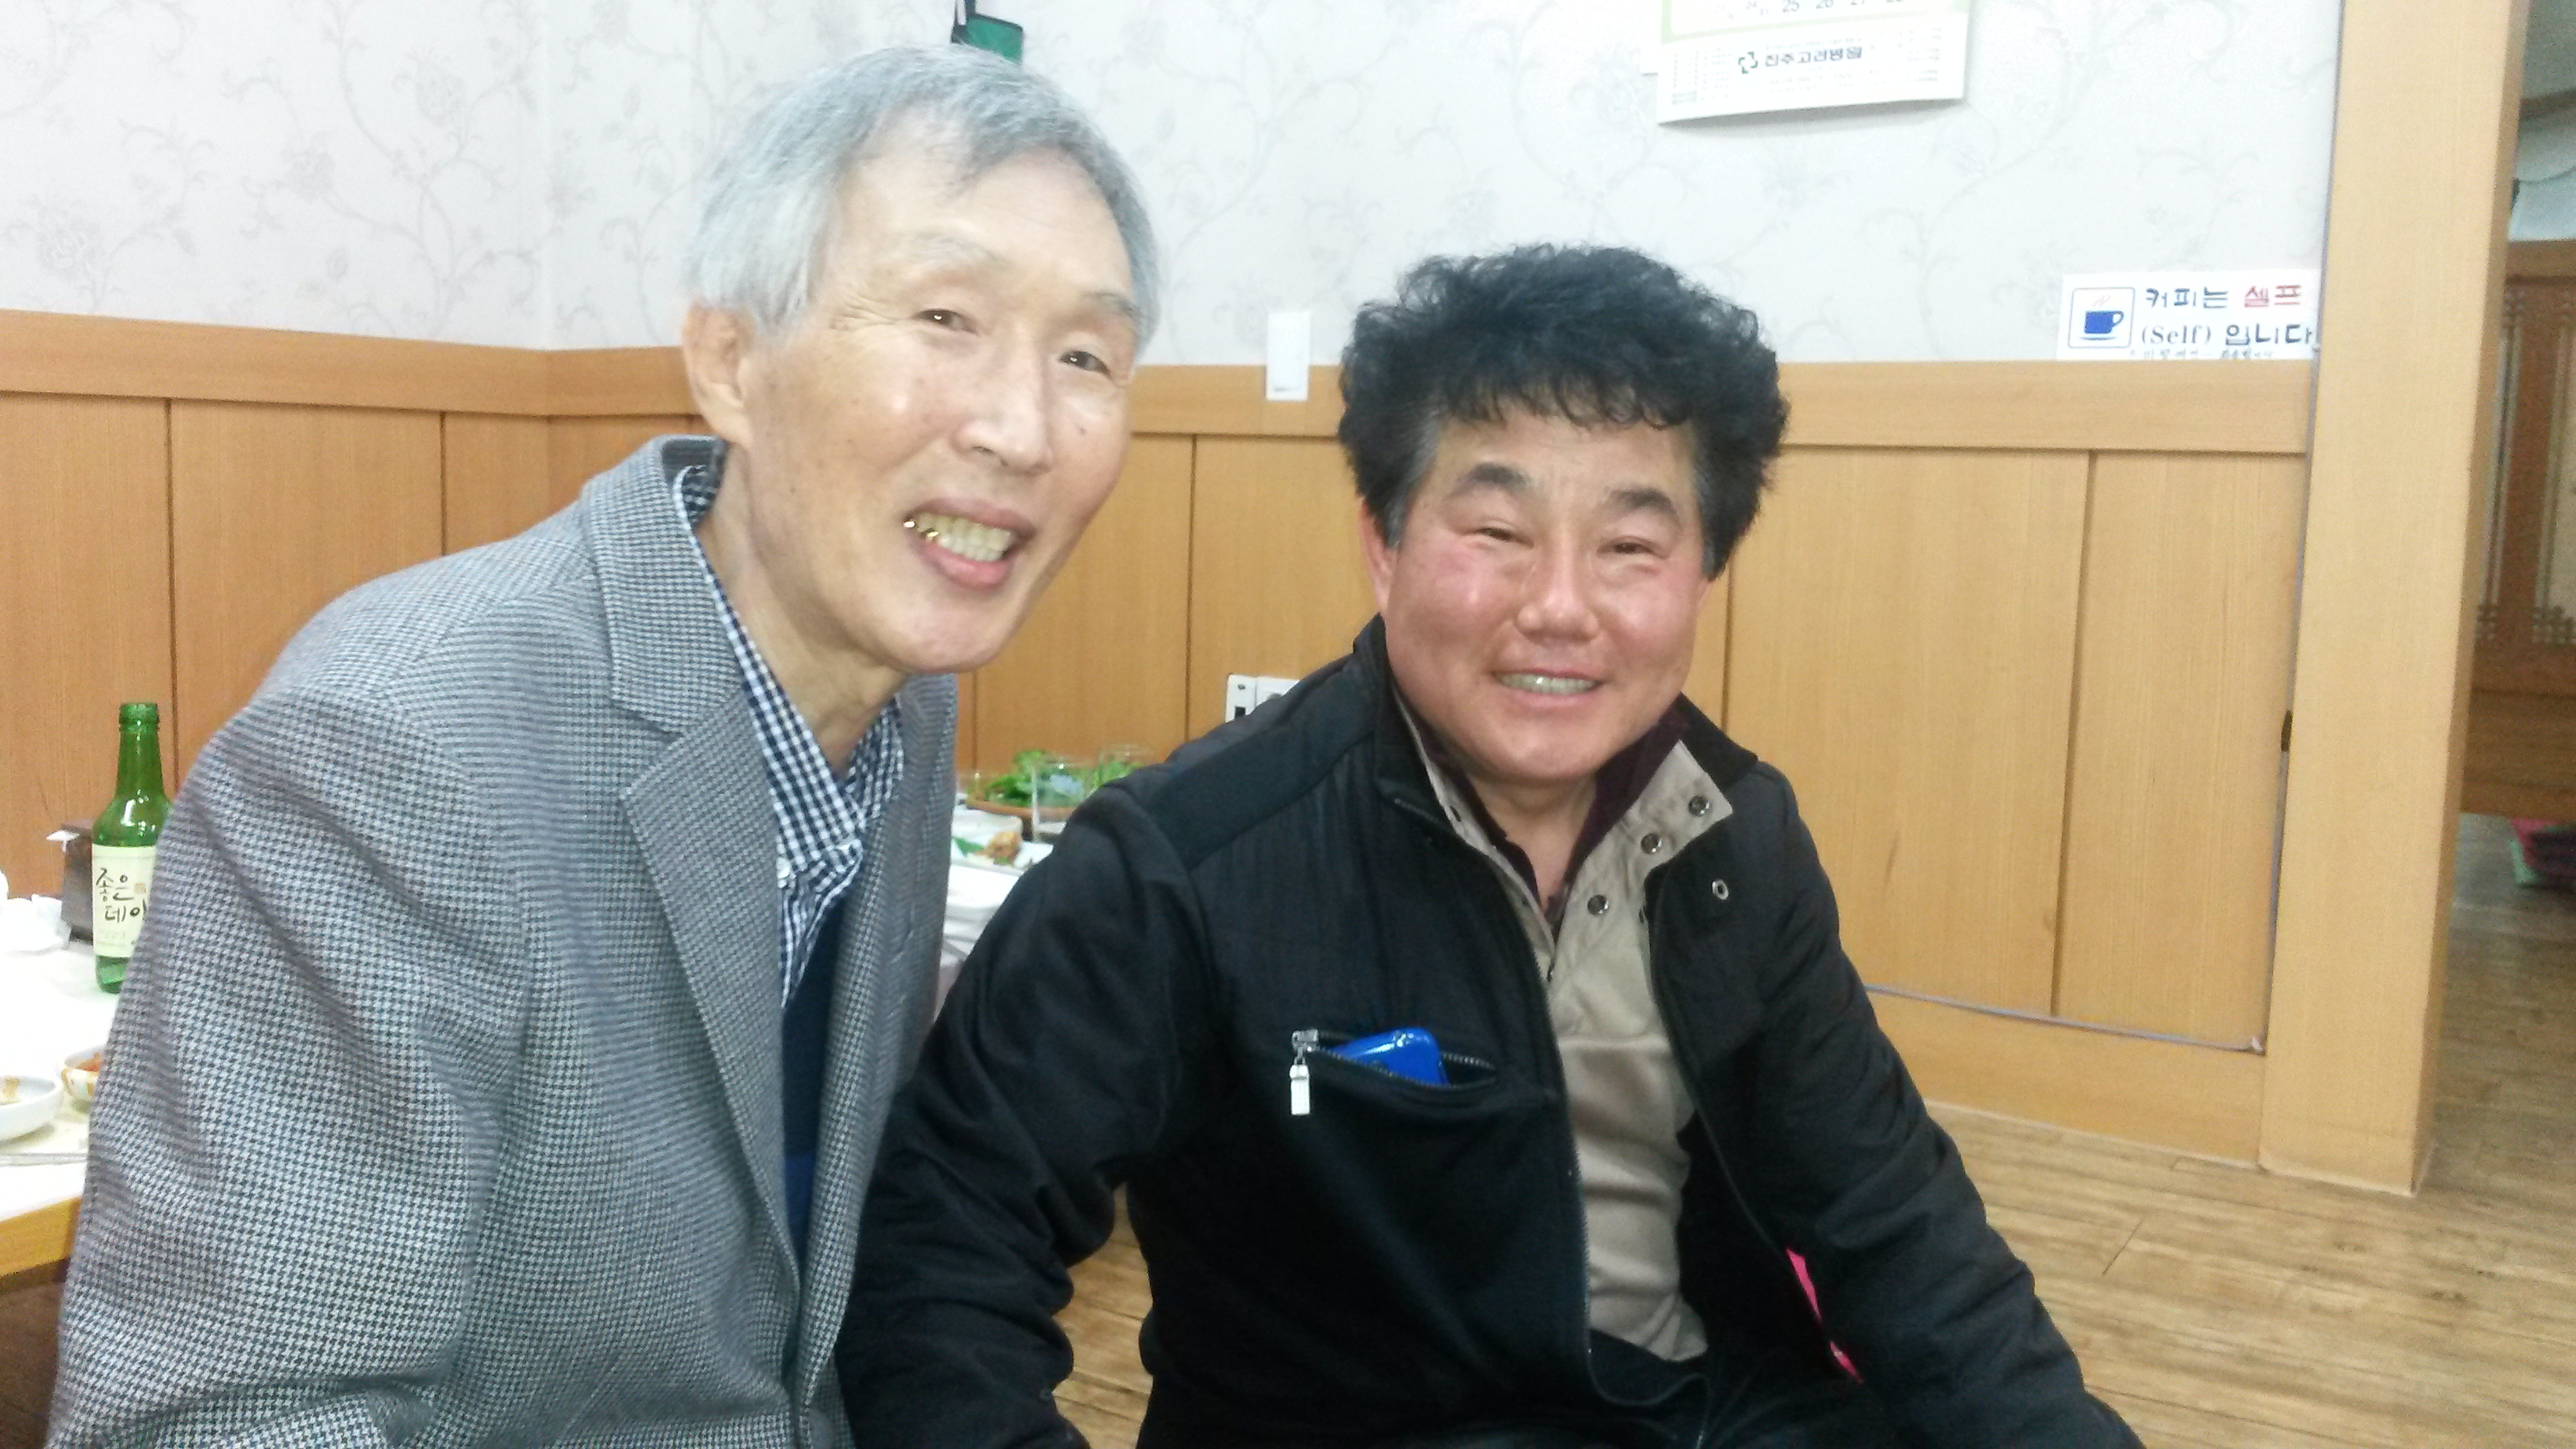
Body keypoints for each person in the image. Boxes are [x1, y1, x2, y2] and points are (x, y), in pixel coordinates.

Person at [839, 245, 2138, 1447]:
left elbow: (1895, 1225)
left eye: (1629, 546)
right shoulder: (1183, 865)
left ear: (1703, 574)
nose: (1560, 608)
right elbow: (944, 1254)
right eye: (1499, 535)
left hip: (1700, 1412)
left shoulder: (1734, 835)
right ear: (1384, 547)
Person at [50, 44, 1155, 1447]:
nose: (1021, 427)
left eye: (1085, 356)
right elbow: (214, 1417)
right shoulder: (388, 746)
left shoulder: (899, 692)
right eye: (945, 316)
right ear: (731, 363)